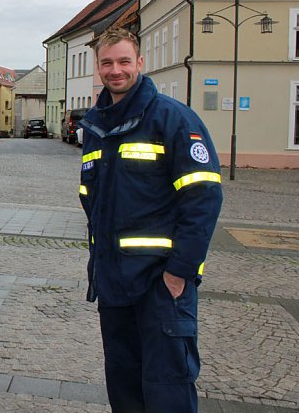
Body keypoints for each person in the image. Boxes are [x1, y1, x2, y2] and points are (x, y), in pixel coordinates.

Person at [78, 27, 223, 412]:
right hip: (113, 285)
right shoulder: (96, 127)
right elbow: (93, 200)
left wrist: (179, 274)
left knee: (167, 391)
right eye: (107, 63)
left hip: (162, 286)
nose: (115, 70)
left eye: (124, 61)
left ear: (140, 63)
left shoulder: (174, 120)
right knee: (124, 391)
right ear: (98, 67)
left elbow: (203, 201)